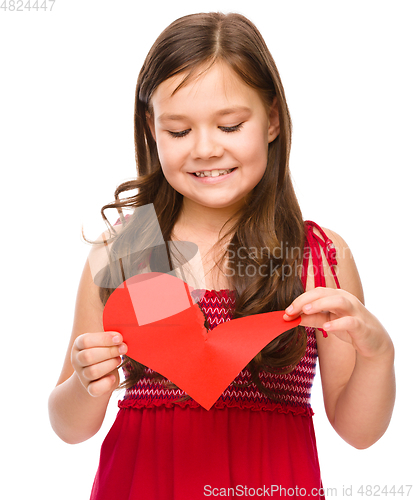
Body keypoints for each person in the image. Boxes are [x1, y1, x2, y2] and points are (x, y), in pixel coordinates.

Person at [48, 12, 396, 500]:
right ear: (151, 129)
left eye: (230, 125)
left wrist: (378, 352)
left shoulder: (317, 257)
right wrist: (87, 383)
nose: (206, 148)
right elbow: (69, 427)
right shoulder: (133, 248)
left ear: (272, 119)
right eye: (178, 131)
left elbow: (360, 432)